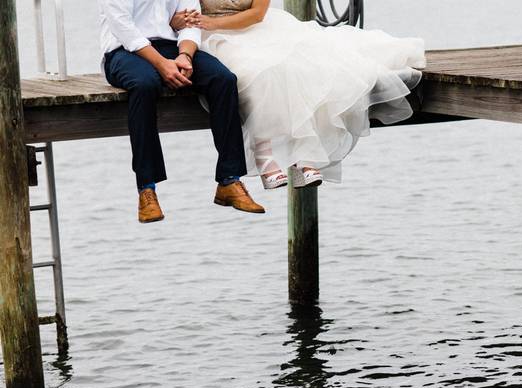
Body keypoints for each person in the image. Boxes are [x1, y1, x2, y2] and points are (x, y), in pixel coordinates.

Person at [170, 0, 425, 190]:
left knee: (301, 66)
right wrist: (187, 23)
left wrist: (212, 21)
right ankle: (265, 157)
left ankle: (305, 158)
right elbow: (172, 14)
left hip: (256, 28)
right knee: (258, 73)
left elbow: (257, 14)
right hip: (214, 39)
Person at [99, 0, 265, 223]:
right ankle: (147, 189)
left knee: (223, 80)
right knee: (145, 85)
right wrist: (161, 64)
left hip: (171, 45)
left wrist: (185, 56)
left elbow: (190, 20)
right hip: (123, 51)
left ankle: (229, 180)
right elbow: (123, 28)